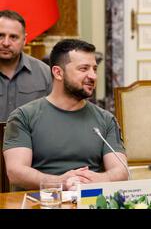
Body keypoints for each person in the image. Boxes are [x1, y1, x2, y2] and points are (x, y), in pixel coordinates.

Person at [3, 39, 128, 190]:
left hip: (91, 200)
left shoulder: (106, 119)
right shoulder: (23, 116)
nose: (93, 76)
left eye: (94, 69)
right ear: (58, 73)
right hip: (41, 202)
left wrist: (98, 179)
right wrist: (61, 182)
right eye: (84, 69)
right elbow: (15, 172)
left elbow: (121, 170)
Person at [0, 10, 52, 122]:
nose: (6, 43)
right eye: (1, 36)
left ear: (24, 40)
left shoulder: (45, 74)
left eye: (13, 37)